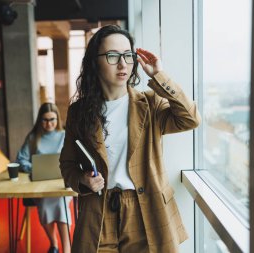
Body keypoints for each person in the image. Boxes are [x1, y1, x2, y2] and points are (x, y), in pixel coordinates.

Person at [59, 24, 201, 253]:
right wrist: (83, 180)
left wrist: (159, 76)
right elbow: (67, 165)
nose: (123, 63)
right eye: (113, 56)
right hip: (99, 209)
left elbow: (190, 119)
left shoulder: (150, 104)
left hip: (145, 210)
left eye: (127, 55)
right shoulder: (79, 112)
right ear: (95, 61)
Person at [16, 102, 72, 253]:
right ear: (40, 120)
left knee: (60, 202)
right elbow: (21, 159)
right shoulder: (33, 137)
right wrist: (33, 168)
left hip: (61, 182)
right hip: (40, 183)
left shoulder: (65, 135)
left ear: (58, 119)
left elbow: (74, 158)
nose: (49, 123)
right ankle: (54, 244)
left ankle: (66, 249)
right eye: (45, 120)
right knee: (46, 203)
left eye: (52, 119)